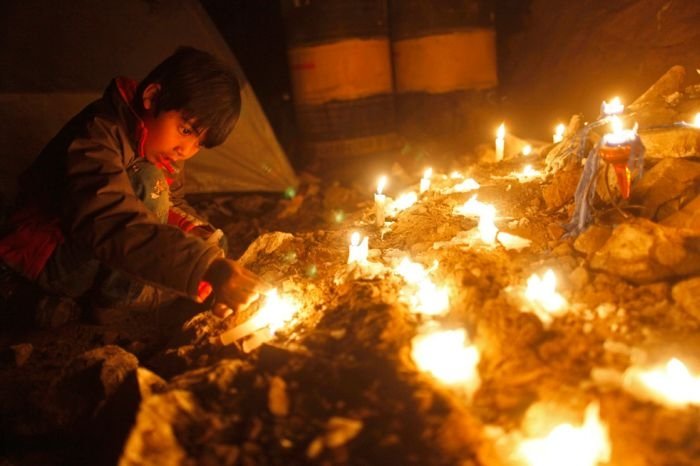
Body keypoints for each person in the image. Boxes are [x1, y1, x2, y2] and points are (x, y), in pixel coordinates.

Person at [0, 46, 267, 326]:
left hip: (98, 250)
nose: (186, 149)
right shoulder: (96, 135)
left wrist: (201, 240)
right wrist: (206, 267)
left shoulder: (159, 146)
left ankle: (106, 295)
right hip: (48, 256)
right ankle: (109, 298)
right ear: (152, 97)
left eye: (199, 143)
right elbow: (110, 220)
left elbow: (170, 203)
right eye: (186, 130)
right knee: (150, 185)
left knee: (213, 243)